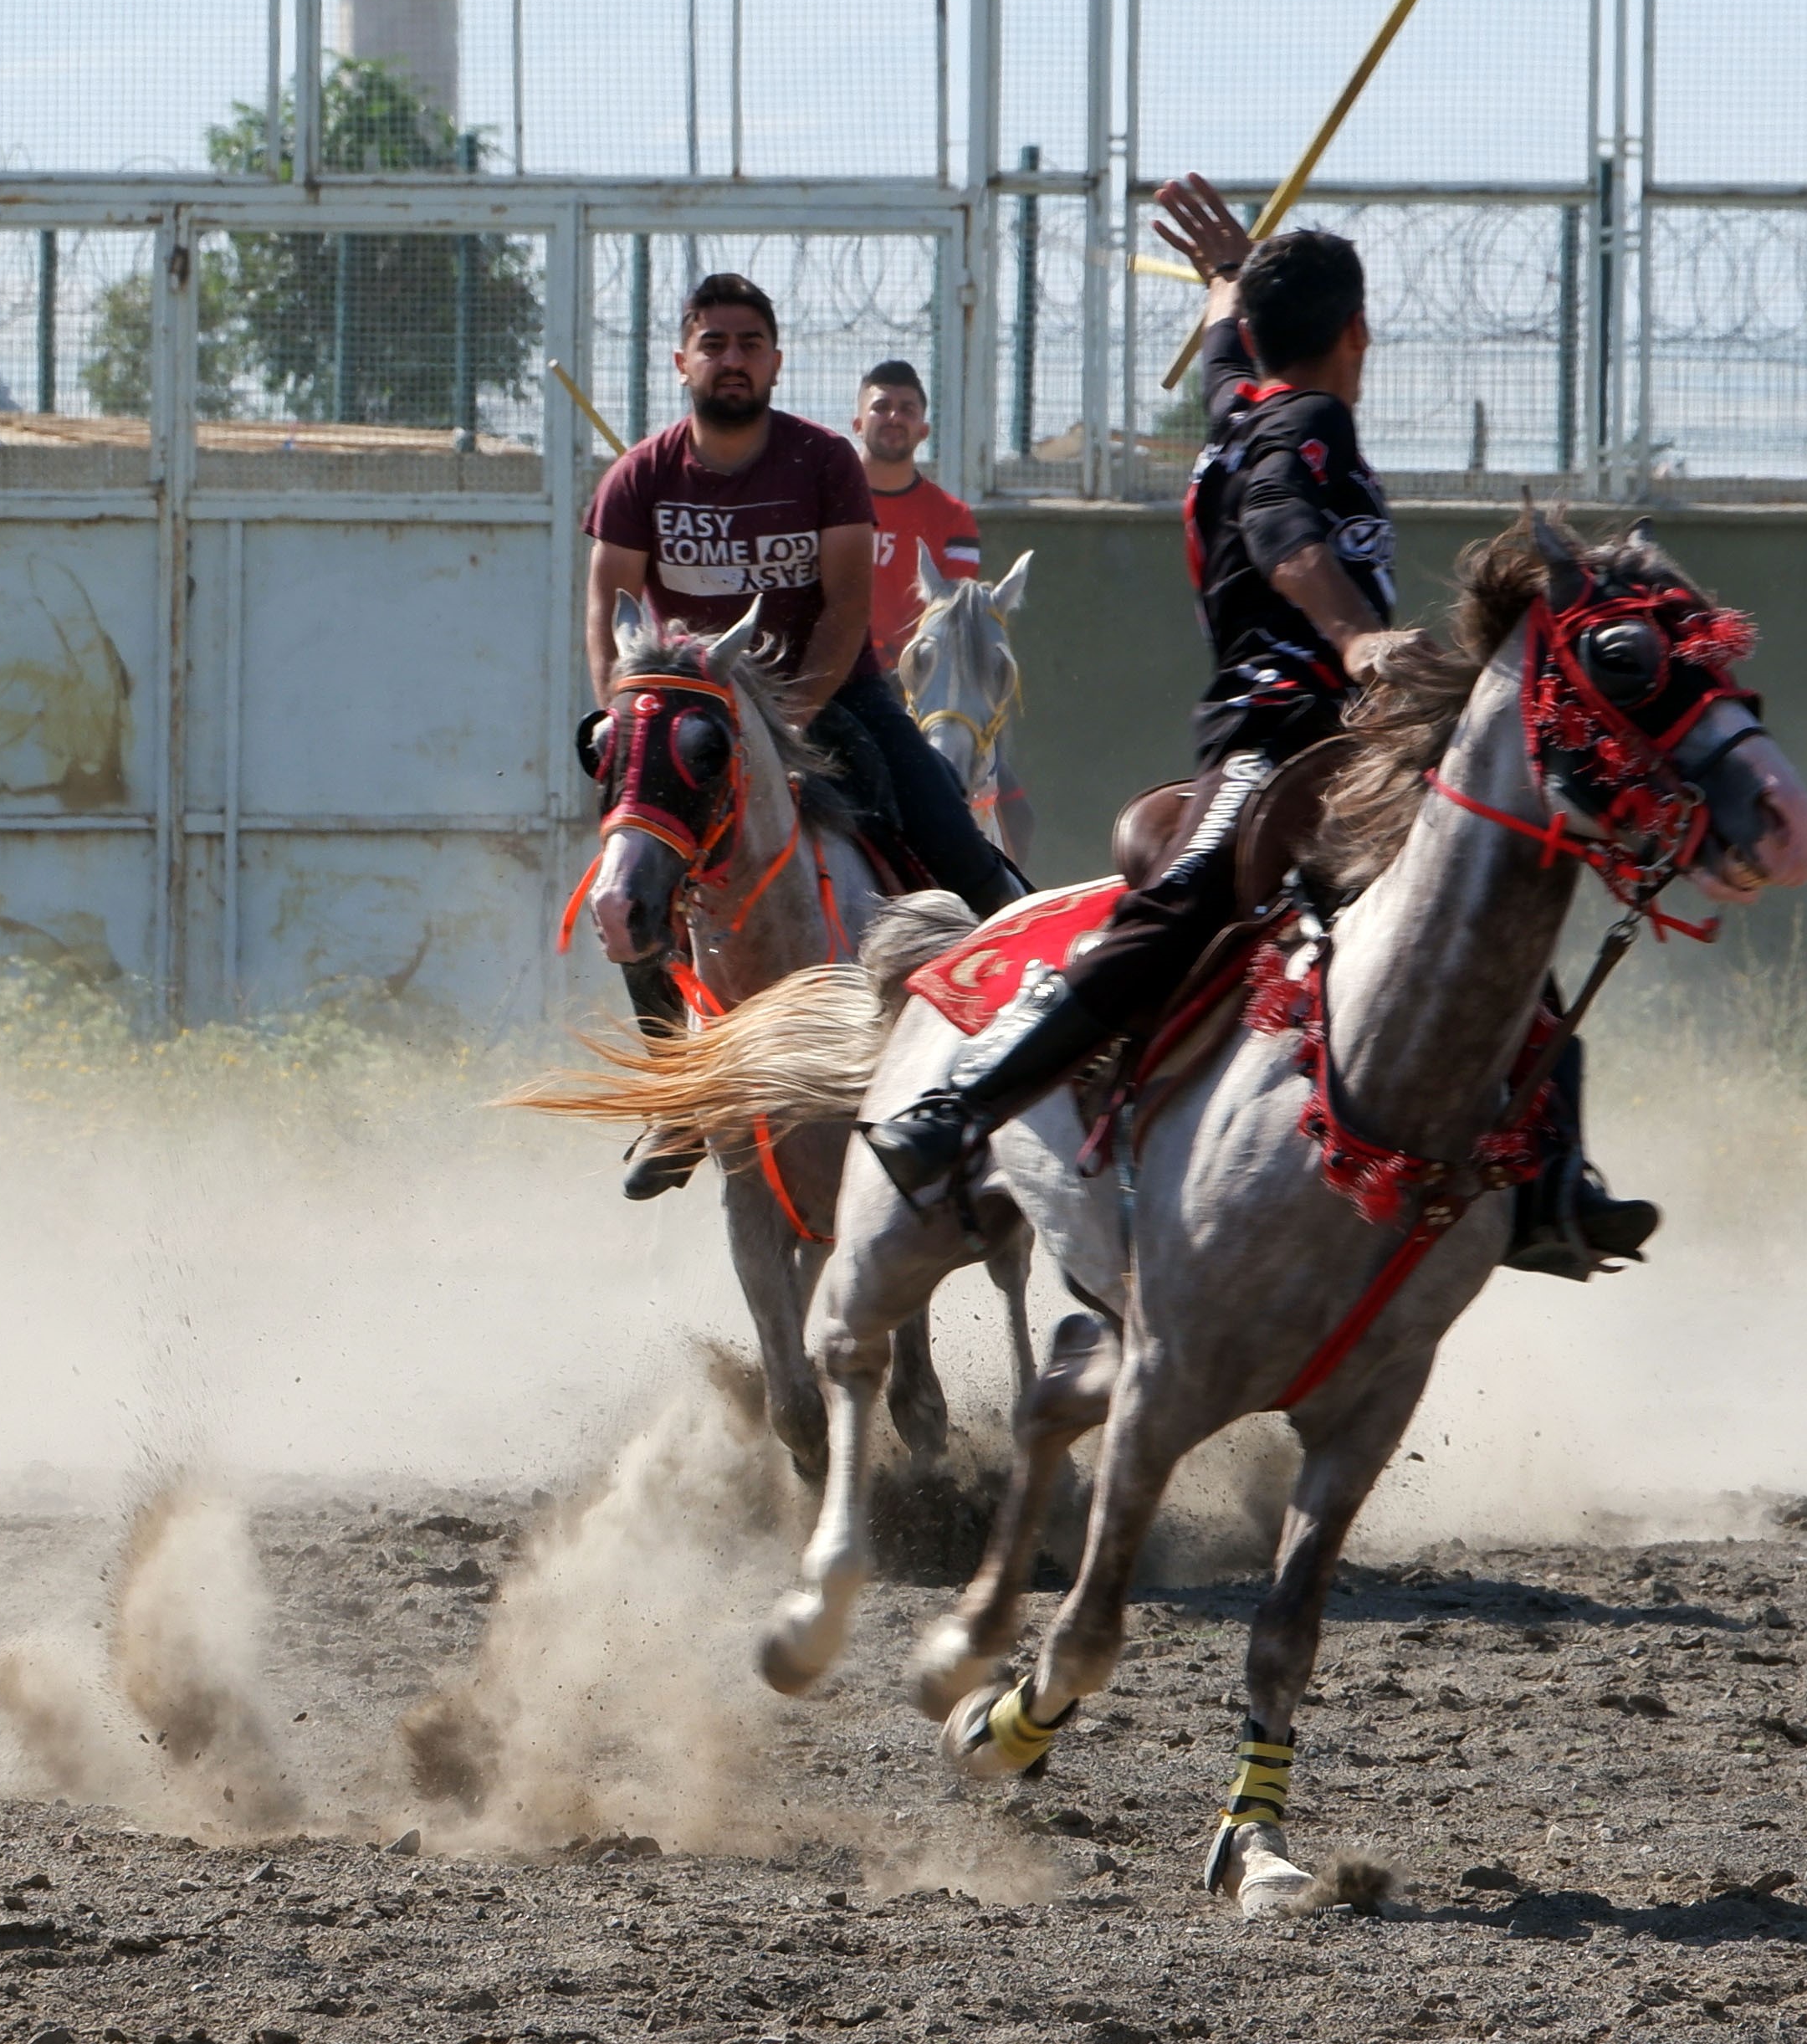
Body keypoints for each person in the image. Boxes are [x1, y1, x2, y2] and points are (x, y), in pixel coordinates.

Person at [858, 179, 1670, 1278]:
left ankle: (1546, 1176)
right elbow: (1285, 532)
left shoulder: (1241, 398)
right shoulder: (1309, 424)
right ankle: (958, 1108)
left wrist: (1228, 284)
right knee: (1186, 902)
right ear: (1358, 332)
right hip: (1279, 730)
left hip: (1350, 742)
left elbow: (1236, 359)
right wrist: (1352, 640)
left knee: (1496, 895)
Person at [586, 276, 1026, 1200]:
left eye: (750, 342)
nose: (732, 358)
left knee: (955, 840)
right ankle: (679, 1096)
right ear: (682, 361)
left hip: (828, 699)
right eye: (714, 342)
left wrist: (775, 724)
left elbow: (843, 612)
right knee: (626, 892)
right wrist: (634, 718)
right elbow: (604, 616)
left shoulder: (825, 461)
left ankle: (1024, 1032)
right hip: (686, 718)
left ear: (776, 361)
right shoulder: (636, 479)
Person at [850, 359, 980, 666]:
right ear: (857, 425)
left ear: (924, 430)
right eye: (881, 407)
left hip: (914, 678)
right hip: (828, 677)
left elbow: (951, 618)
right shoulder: (822, 501)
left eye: (907, 410)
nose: (894, 417)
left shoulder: (953, 518)